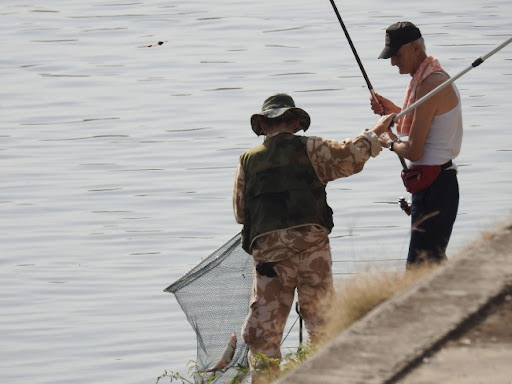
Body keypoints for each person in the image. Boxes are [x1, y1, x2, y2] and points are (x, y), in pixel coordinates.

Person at [232, 93, 395, 378]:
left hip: (270, 262)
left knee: (265, 338)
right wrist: (376, 131)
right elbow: (350, 156)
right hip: (313, 253)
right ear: (295, 122)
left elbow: (240, 214)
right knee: (323, 325)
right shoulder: (312, 148)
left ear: (263, 125)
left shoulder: (247, 160)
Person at [370, 21, 463, 267]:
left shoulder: (430, 85)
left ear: (414, 48)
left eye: (397, 55)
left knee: (419, 269)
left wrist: (388, 141)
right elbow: (429, 127)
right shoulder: (430, 78)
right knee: (433, 264)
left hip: (436, 187)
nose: (393, 62)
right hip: (436, 184)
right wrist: (394, 111)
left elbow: (414, 150)